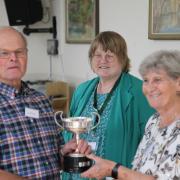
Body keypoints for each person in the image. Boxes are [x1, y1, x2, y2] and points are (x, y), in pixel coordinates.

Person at [0, 26, 91, 179]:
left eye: (19, 52)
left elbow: (54, 159)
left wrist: (67, 153)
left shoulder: (41, 100)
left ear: (26, 55)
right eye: (4, 53)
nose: (13, 58)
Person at [62, 31, 155, 179]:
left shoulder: (139, 91)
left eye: (110, 56)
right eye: (97, 55)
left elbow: (152, 141)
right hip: (80, 173)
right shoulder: (81, 90)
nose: (103, 61)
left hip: (116, 173)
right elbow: (68, 133)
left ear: (122, 59)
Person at [81, 49, 180, 180]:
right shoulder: (154, 121)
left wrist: (112, 169)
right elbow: (140, 169)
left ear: (178, 83)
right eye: (146, 80)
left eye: (157, 80)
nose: (150, 88)